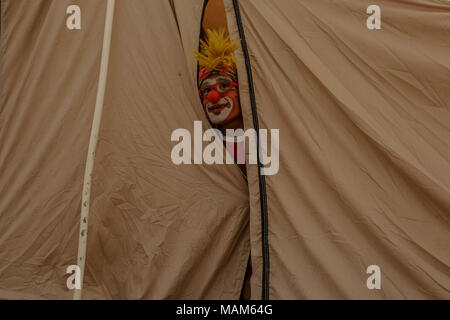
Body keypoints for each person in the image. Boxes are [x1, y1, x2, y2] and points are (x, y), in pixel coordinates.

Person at [194, 28, 252, 299]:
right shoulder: (202, 144)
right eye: (206, 90)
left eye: (224, 86)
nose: (213, 97)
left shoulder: (262, 140)